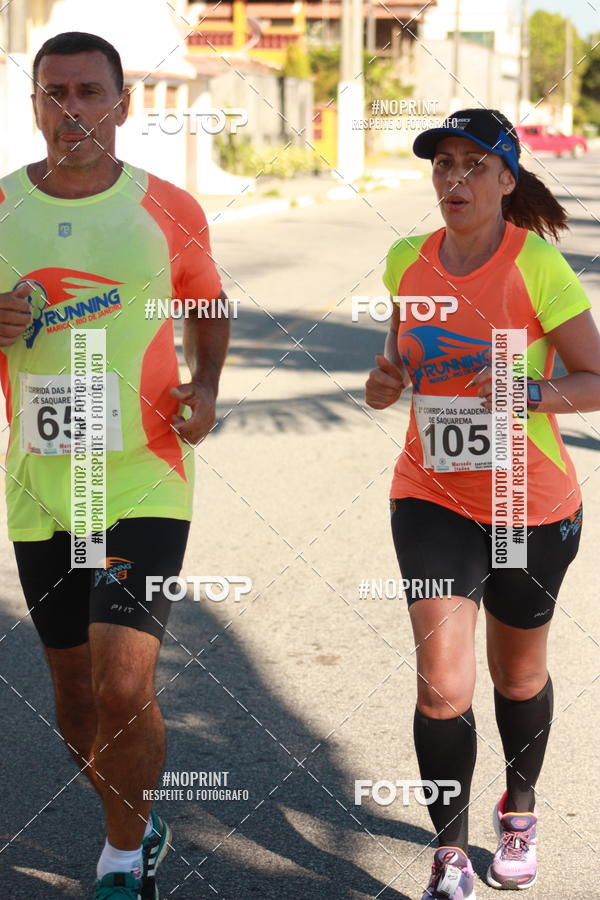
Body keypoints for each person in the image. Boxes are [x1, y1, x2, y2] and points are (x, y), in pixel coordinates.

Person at [0, 32, 229, 900]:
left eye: (89, 92)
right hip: (40, 487)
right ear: (33, 105)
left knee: (123, 678)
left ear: (123, 104)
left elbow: (207, 304)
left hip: (142, 476)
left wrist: (204, 386)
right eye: (54, 92)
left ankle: (123, 857)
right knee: (73, 699)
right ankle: (137, 817)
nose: (72, 109)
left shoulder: (169, 207)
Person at [365, 108, 600, 898]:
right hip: (430, 493)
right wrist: (384, 380)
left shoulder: (537, 267)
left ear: (507, 179)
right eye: (443, 165)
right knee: (442, 683)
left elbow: (596, 379)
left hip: (529, 501)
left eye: (473, 165)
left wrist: (531, 390)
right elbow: (393, 364)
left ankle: (520, 807)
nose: (454, 179)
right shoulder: (406, 259)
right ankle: (450, 854)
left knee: (519, 676)